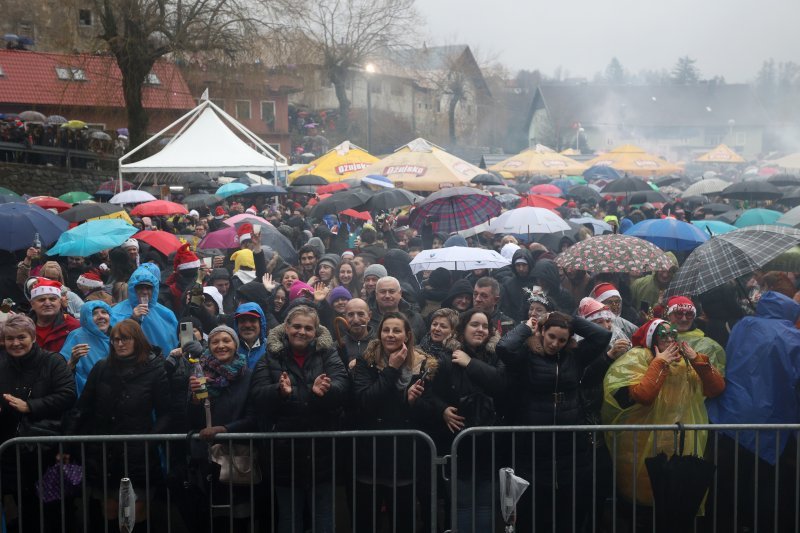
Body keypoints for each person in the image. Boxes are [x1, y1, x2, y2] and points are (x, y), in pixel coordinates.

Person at [497, 311, 612, 531]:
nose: (555, 344)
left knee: (568, 510)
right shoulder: (527, 354)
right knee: (536, 510)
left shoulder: (574, 356)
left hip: (569, 444)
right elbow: (503, 348)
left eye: (562, 340)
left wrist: (569, 318)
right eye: (551, 336)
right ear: (542, 332)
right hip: (533, 442)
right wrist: (527, 326)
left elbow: (602, 337)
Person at [601, 319, 725, 508]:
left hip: (681, 437)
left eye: (672, 335)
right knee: (646, 496)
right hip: (643, 439)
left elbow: (715, 389)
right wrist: (659, 363)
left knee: (677, 497)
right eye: (663, 335)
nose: (669, 339)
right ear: (653, 338)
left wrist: (698, 360)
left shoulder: (686, 360)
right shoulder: (639, 357)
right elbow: (644, 395)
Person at [249, 305, 349, 533]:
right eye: (296, 326)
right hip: (285, 453)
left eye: (307, 328)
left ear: (316, 331)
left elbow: (343, 387)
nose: (301, 332)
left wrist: (324, 392)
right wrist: (279, 392)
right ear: (286, 327)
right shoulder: (270, 355)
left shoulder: (328, 353)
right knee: (289, 517)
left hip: (322, 452)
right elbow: (257, 395)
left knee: (324, 516)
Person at [707, 291, 800, 532]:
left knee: (729, 482)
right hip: (772, 418)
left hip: (731, 413)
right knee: (766, 486)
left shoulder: (743, 325)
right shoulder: (793, 337)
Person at [67, 319, 171, 531]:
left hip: (138, 452)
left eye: (125, 339)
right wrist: (68, 442)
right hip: (105, 452)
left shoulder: (154, 369)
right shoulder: (102, 367)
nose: (120, 344)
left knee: (137, 511)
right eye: (115, 339)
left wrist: (150, 440)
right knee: (110, 510)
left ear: (137, 340)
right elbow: (82, 407)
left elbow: (166, 412)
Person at [351, 312, 437, 533]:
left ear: (407, 335)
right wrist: (391, 369)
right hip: (370, 453)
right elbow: (366, 401)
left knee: (403, 520)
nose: (390, 335)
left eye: (396, 330)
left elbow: (430, 410)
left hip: (404, 456)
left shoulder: (423, 364)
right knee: (366, 520)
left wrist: (412, 402)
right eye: (386, 330)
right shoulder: (366, 361)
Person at [421, 308, 505, 532]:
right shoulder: (446, 359)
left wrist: (470, 363)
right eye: (474, 325)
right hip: (458, 445)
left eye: (484, 326)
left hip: (489, 445)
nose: (480, 330)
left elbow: (501, 384)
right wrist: (442, 410)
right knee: (461, 506)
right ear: (462, 329)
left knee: (486, 505)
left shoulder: (496, 356)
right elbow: (427, 394)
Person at [0, 314, 76, 533]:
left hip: (46, 448)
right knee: (25, 508)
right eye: (10, 338)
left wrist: (31, 406)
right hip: (11, 450)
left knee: (56, 509)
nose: (15, 343)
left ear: (32, 337)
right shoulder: (2, 362)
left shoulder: (52, 361)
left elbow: (68, 395)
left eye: (21, 337)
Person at [184, 325, 257, 532]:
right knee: (210, 518)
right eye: (215, 342)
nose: (221, 345)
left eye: (226, 340)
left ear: (235, 344)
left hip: (238, 457)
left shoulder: (249, 375)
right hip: (207, 459)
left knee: (240, 517)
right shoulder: (198, 373)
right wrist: (196, 400)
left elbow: (253, 417)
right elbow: (190, 420)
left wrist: (224, 429)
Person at [111, 264, 179, 357]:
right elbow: (114, 340)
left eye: (148, 288)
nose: (144, 291)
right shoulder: (116, 312)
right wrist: (133, 319)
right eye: (140, 287)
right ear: (132, 289)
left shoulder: (166, 313)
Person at [60, 301, 118, 395]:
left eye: (104, 312)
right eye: (94, 314)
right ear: (86, 318)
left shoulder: (118, 335)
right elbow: (62, 369)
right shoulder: (77, 336)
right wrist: (72, 362)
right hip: (87, 394)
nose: (100, 316)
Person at [665, 295, 726, 376]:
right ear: (668, 315)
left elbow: (716, 377)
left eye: (689, 314)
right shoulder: (657, 337)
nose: (684, 319)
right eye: (679, 313)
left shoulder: (707, 345)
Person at [27, 277, 80, 352]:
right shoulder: (23, 327)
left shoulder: (74, 327)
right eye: (42, 300)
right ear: (32, 304)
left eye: (52, 299)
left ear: (59, 302)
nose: (47, 303)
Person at [368, 276, 426, 342]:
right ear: (376, 294)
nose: (387, 296)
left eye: (391, 292)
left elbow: (422, 346)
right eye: (383, 292)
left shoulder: (415, 318)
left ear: (400, 293)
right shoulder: (367, 318)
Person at [500, 247, 537, 322]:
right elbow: (506, 308)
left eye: (524, 265)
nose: (521, 269)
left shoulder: (537, 283)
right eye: (518, 265)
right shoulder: (508, 284)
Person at [232, 302, 268, 369]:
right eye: (242, 321)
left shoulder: (270, 348)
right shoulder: (230, 349)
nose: (247, 325)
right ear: (237, 325)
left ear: (261, 323)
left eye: (252, 320)